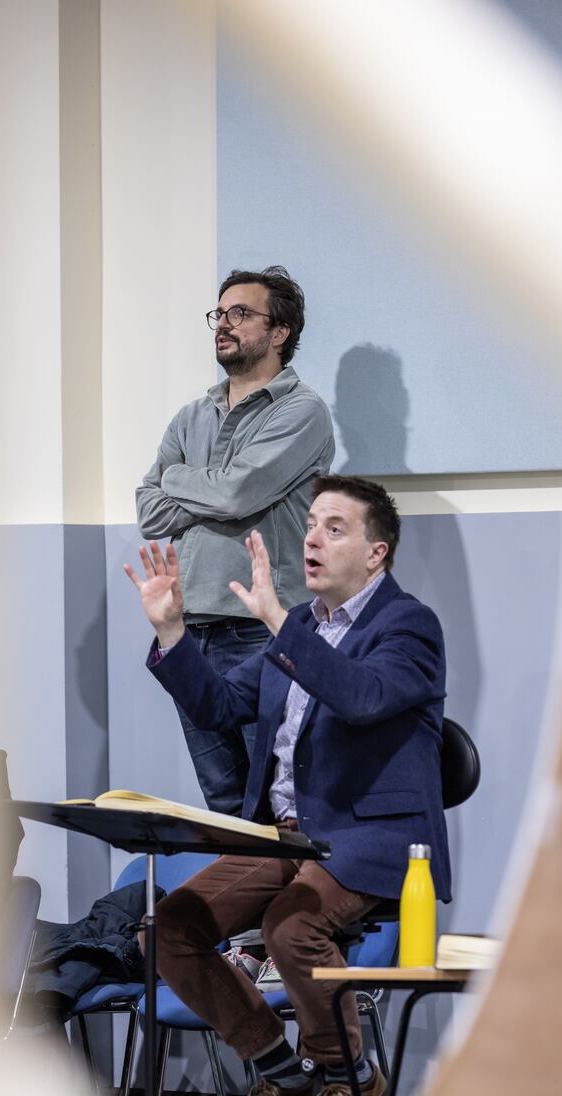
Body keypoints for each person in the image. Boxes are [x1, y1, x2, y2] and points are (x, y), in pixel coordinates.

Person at [123, 476, 450, 1096]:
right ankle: (284, 1072)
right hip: (285, 834)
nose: (312, 537)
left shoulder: (408, 625)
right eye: (311, 524)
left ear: (376, 551)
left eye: (335, 526)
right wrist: (172, 631)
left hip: (369, 836)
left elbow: (360, 698)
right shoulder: (299, 628)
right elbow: (216, 706)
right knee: (167, 930)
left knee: (290, 926)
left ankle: (349, 1080)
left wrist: (279, 624)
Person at [136, 266, 335, 817]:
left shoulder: (302, 412)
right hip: (191, 627)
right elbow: (148, 511)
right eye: (219, 314)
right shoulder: (191, 415)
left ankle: (292, 906)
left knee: (277, 803)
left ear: (280, 332)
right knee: (224, 807)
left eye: (241, 314)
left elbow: (235, 495)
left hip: (263, 630)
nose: (224, 324)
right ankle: (239, 903)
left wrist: (179, 478)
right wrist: (212, 487)